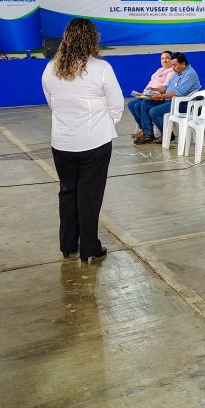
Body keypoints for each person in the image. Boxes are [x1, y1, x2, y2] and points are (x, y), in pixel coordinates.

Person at [41, 18, 124, 263]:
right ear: (91, 40)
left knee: (67, 193)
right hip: (94, 143)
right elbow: (117, 105)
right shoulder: (101, 68)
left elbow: (51, 102)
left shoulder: (51, 68)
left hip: (62, 142)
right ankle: (90, 248)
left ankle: (68, 244)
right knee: (90, 196)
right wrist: (104, 125)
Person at [146, 52, 201, 144]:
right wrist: (152, 90)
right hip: (170, 101)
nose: (173, 68)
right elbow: (167, 87)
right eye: (172, 66)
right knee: (144, 105)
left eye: (175, 65)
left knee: (153, 112)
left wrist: (161, 96)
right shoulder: (178, 73)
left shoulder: (189, 74)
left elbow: (177, 93)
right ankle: (147, 132)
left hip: (182, 104)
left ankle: (167, 135)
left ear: (183, 64)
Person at [128, 50, 175, 144]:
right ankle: (144, 129)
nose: (164, 60)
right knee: (132, 104)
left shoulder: (172, 72)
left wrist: (152, 90)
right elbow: (151, 82)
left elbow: (165, 87)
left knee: (142, 105)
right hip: (150, 95)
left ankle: (148, 133)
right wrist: (143, 93)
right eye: (162, 58)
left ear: (172, 60)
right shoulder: (159, 70)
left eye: (167, 58)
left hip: (160, 97)